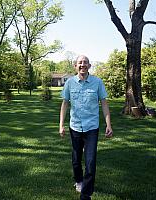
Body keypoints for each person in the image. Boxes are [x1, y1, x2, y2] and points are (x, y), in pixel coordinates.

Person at [59, 55, 113, 200]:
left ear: (89, 66)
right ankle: (78, 180)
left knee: (90, 161)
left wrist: (108, 124)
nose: (82, 65)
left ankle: (86, 194)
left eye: (85, 62)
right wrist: (61, 125)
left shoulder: (97, 82)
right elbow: (65, 104)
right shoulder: (70, 83)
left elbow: (104, 103)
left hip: (92, 127)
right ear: (75, 66)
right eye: (80, 63)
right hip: (75, 127)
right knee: (76, 160)